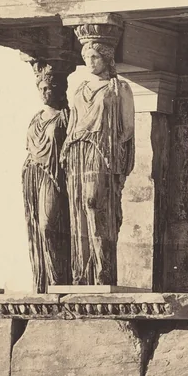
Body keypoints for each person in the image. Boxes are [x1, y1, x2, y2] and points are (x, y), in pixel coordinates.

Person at [63, 29, 134, 286]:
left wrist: (112, 146)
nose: (90, 62)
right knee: (79, 209)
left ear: (106, 58)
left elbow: (127, 129)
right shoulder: (80, 89)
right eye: (87, 57)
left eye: (95, 57)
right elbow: (72, 122)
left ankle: (104, 269)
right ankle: (83, 273)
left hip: (102, 152)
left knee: (94, 203)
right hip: (77, 151)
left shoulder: (119, 87)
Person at [22, 59, 71, 292]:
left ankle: (59, 279)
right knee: (36, 228)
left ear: (60, 89)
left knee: (48, 225)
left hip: (55, 177)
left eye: (50, 87)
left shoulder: (66, 117)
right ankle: (44, 282)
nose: (45, 92)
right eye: (41, 87)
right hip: (33, 174)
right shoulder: (35, 118)